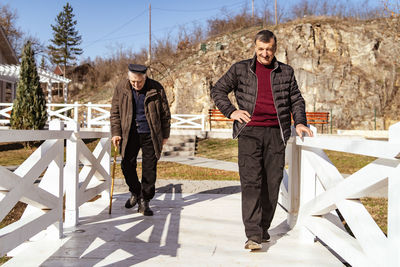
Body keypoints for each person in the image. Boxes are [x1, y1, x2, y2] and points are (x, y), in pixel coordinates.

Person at [211, 30, 313, 250]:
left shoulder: (286, 71)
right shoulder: (240, 69)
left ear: (275, 49)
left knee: (272, 183)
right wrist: (231, 112)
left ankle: (263, 228)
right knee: (251, 182)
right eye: (261, 49)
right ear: (255, 48)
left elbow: (296, 99)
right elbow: (218, 90)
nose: (265, 54)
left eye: (269, 49)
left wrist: (301, 122)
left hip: (276, 133)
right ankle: (253, 235)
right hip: (249, 132)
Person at [110, 64, 171, 216]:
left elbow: (165, 113)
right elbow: (115, 112)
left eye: (139, 82)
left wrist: (165, 135)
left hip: (150, 132)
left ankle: (145, 200)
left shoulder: (156, 88)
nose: (136, 85)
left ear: (145, 77)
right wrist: (116, 132)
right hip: (129, 133)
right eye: (133, 82)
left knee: (149, 168)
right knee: (126, 165)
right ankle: (136, 192)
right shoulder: (121, 87)